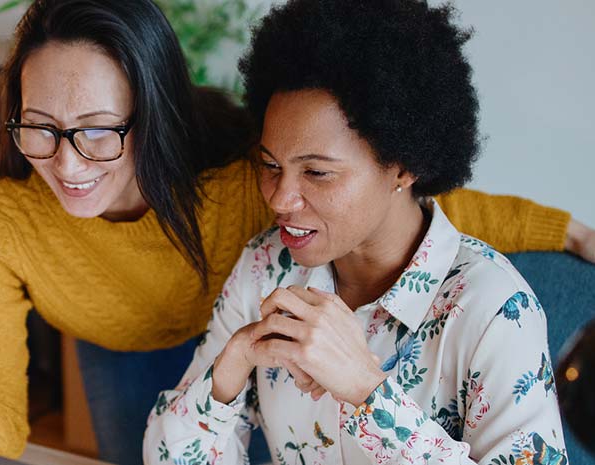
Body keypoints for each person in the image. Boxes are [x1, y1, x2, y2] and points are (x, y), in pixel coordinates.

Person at [0, 0, 595, 460]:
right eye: (38, 127)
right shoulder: (272, 260)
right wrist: (223, 377)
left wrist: (578, 235)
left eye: (98, 129)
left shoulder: (483, 303)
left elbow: (447, 209)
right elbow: (159, 453)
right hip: (130, 340)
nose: (65, 161)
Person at [145, 1, 569, 463]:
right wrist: (233, 362)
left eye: (317, 173)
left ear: (403, 166)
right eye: (270, 165)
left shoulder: (494, 311)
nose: (279, 199)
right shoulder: (266, 267)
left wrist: (367, 390)